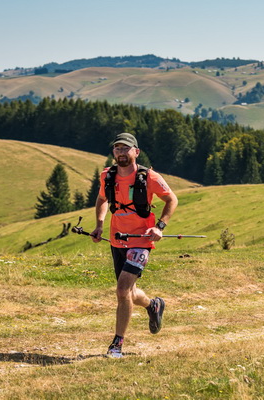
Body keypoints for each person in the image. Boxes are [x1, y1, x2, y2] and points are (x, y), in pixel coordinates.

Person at [90, 132, 178, 358]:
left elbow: (172, 199)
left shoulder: (149, 177)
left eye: (125, 148)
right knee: (129, 292)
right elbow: (102, 199)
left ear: (136, 152)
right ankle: (153, 305)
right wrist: (99, 225)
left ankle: (117, 345)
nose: (121, 152)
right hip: (117, 239)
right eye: (117, 148)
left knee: (122, 290)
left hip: (141, 241)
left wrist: (160, 226)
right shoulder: (107, 176)